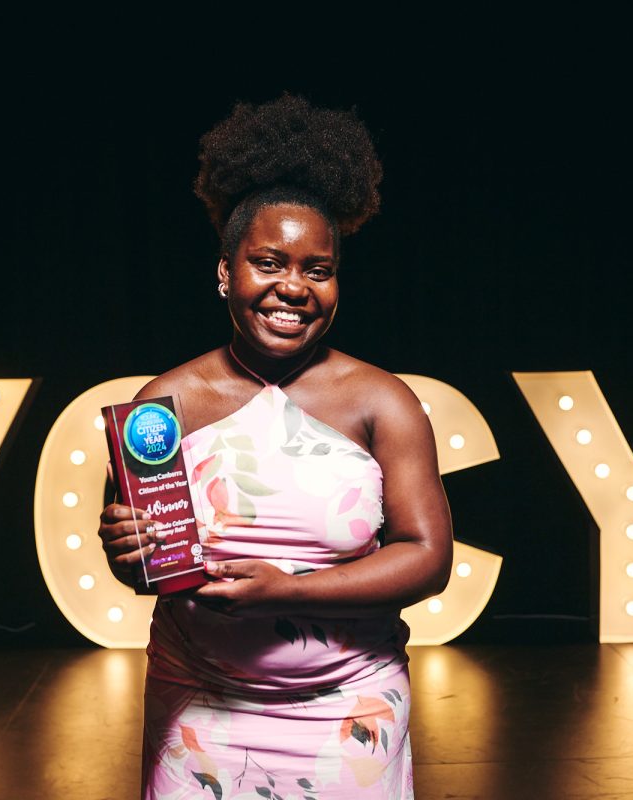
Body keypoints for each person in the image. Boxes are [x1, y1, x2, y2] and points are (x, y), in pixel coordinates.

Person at [98, 93, 454, 800]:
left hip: (350, 710)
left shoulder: (382, 402)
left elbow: (428, 557)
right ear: (227, 272)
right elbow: (147, 567)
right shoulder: (164, 405)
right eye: (267, 262)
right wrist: (125, 549)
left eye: (316, 270)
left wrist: (288, 592)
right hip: (199, 706)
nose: (292, 287)